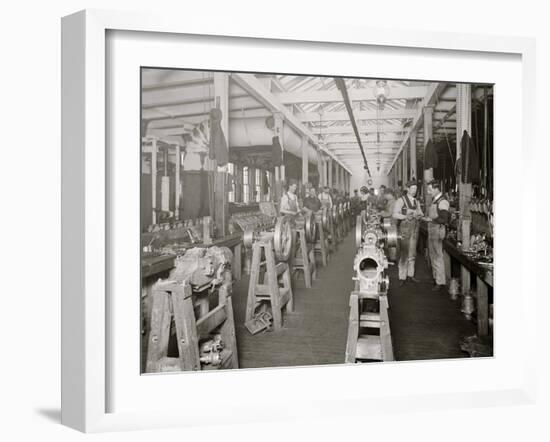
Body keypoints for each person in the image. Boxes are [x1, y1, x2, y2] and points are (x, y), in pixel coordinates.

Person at [393, 180, 424, 286]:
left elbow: (420, 213)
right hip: (405, 230)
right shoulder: (400, 201)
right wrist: (405, 216)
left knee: (412, 254)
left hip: (415, 230)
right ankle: (402, 277)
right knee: (404, 254)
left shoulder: (416, 201)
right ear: (407, 189)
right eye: (412, 189)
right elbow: (395, 214)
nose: (414, 191)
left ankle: (411, 275)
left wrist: (419, 215)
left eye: (416, 189)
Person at [424, 180, 450, 291]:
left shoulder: (443, 201)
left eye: (430, 190)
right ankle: (436, 278)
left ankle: (440, 282)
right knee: (432, 255)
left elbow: (444, 219)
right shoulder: (435, 200)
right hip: (432, 231)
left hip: (438, 231)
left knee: (438, 256)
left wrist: (431, 219)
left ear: (436, 188)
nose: (429, 192)